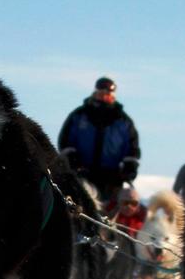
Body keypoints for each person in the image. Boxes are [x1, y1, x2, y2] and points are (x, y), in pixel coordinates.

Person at [57, 76, 140, 206]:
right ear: (95, 93)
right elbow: (66, 141)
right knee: (81, 206)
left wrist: (129, 168)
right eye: (101, 94)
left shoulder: (123, 122)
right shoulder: (79, 116)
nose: (104, 97)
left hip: (111, 178)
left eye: (107, 94)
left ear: (113, 96)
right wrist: (72, 160)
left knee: (110, 213)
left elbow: (132, 149)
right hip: (82, 173)